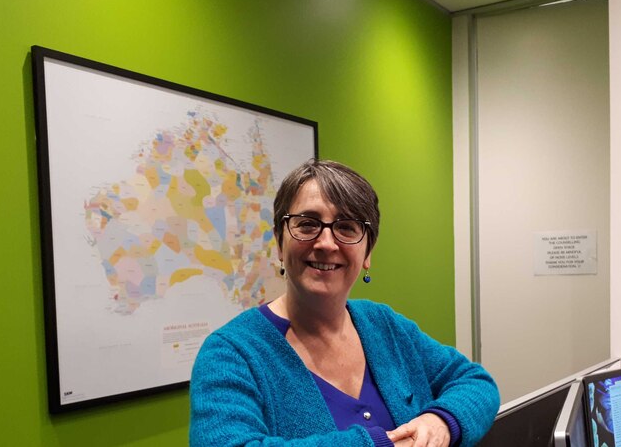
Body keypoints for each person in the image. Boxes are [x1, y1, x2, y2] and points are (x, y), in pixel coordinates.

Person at [190, 159, 499, 446]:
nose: (326, 243)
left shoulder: (385, 325)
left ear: (367, 254)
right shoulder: (230, 353)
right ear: (280, 242)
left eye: (347, 227)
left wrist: (441, 421)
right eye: (307, 224)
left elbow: (476, 382)